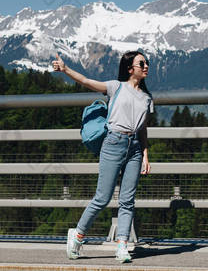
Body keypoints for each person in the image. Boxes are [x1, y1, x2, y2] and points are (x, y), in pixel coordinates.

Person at [52, 50, 153, 263]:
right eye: (141, 63)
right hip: (113, 143)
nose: (146, 66)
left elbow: (143, 129)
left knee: (127, 200)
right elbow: (87, 81)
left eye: (147, 63)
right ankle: (78, 235)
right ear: (129, 68)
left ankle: (123, 245)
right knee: (103, 197)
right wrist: (65, 69)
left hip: (134, 148)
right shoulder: (116, 87)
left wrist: (145, 154)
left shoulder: (147, 98)